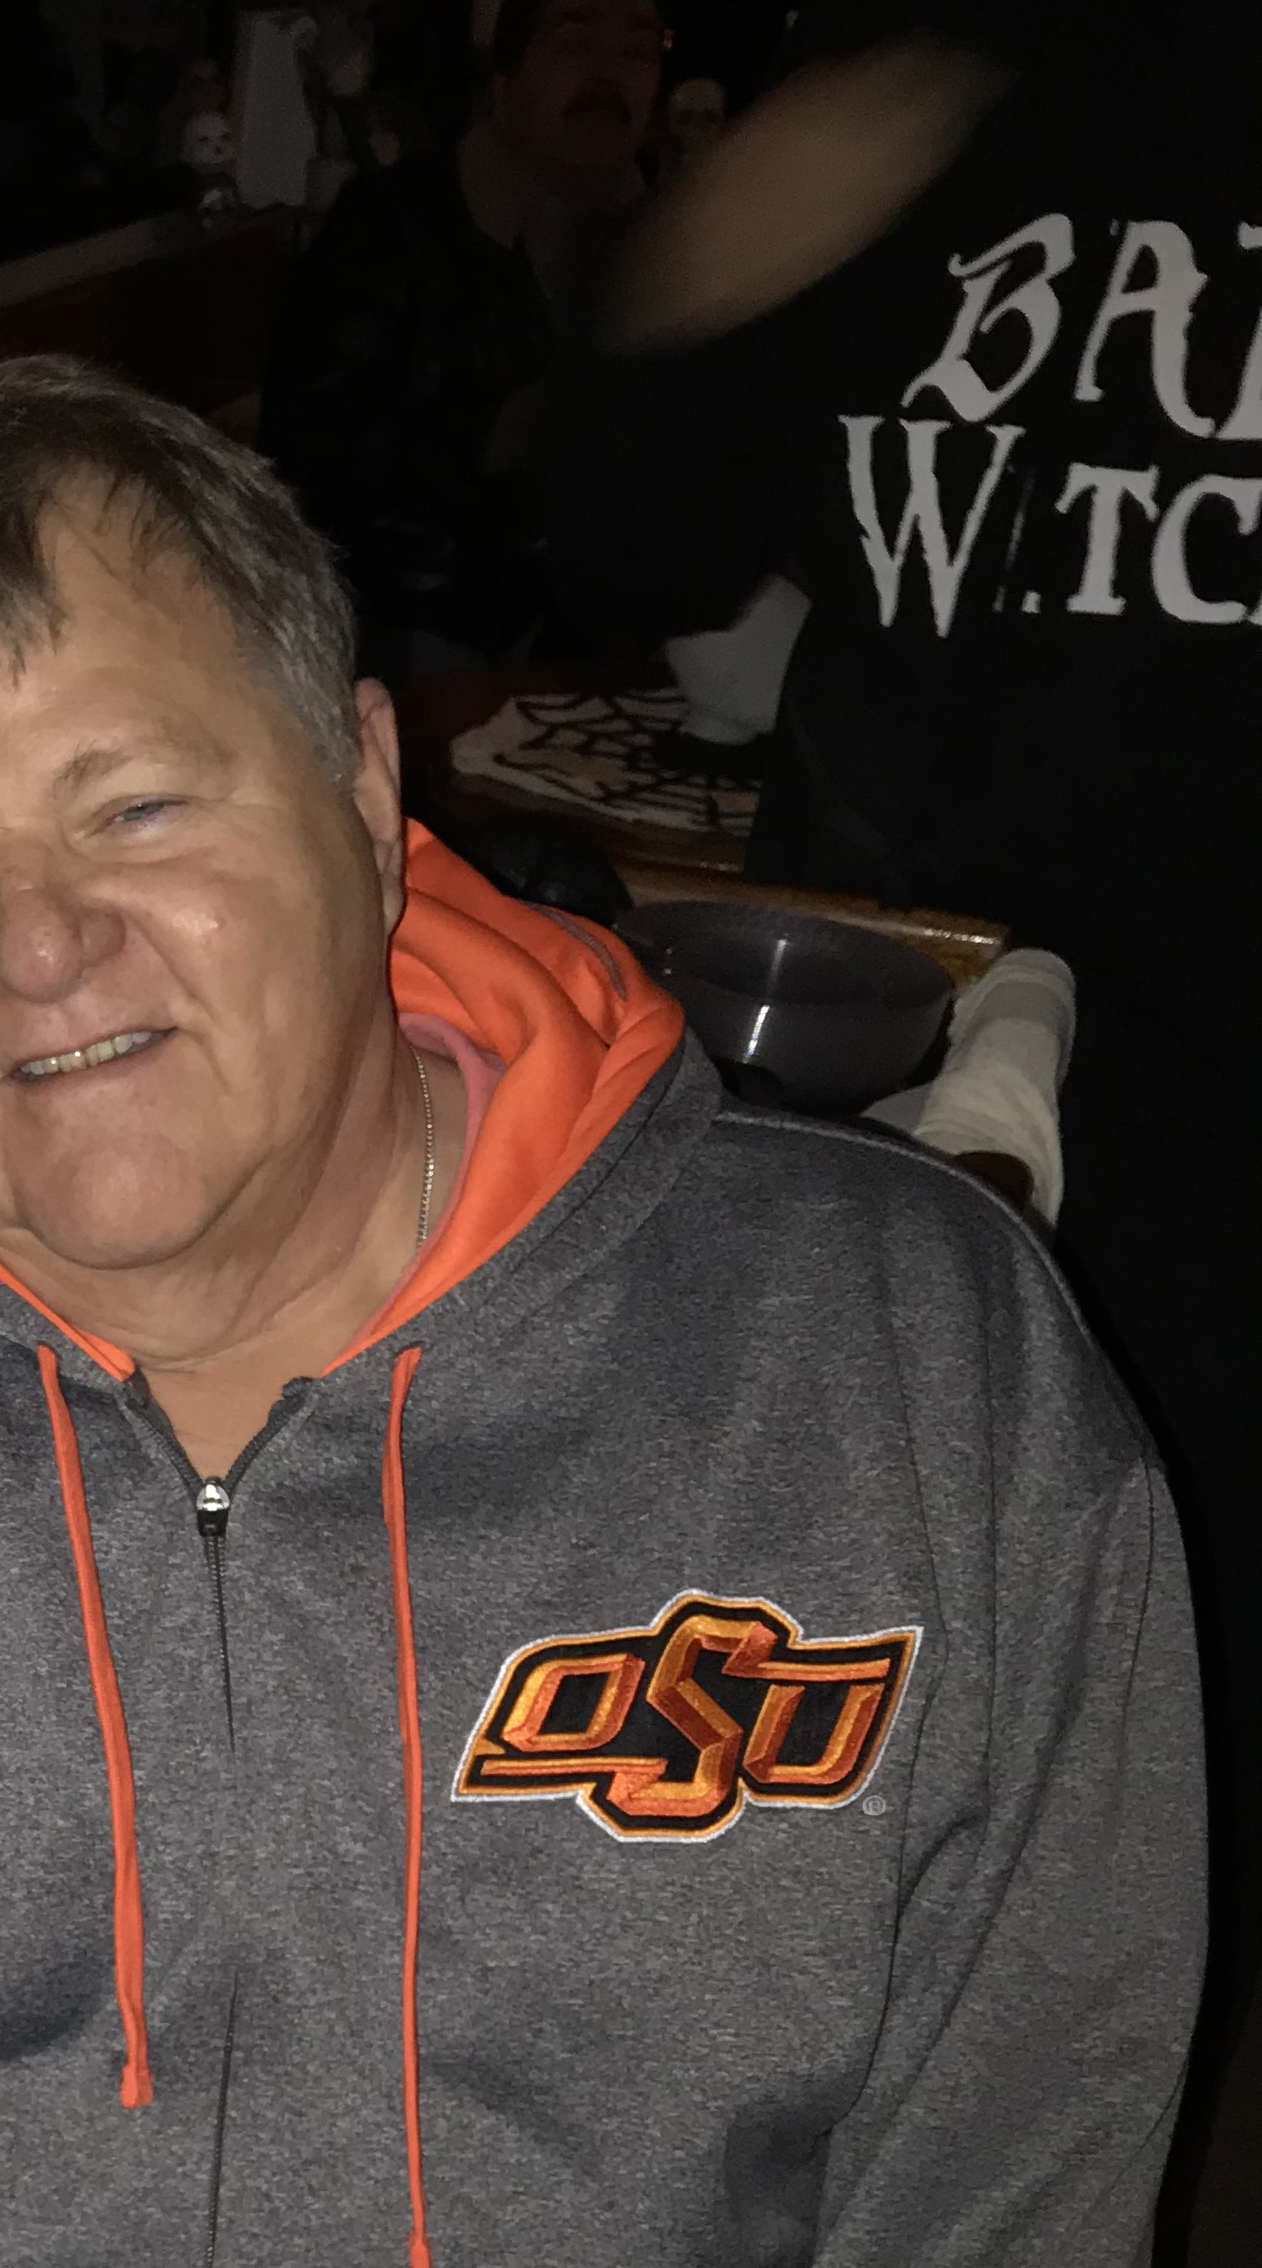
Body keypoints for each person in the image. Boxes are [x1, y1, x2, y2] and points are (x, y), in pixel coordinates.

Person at [0, 355, 1202, 2264]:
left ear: (358, 788)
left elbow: (1007, 2176)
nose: (35, 944)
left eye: (131, 806)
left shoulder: (917, 1364)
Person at [547, 0, 1262, 2188]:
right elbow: (602, 535)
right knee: (796, 1757)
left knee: (1149, 1823)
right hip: (853, 1099)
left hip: (1215, 1166)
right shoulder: (925, 101)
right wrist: (692, 261)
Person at [260, 0, 664, 672]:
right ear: (502, 85)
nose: (609, 74)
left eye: (637, 52)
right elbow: (310, 469)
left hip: (645, 632)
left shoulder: (679, 237)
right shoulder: (389, 226)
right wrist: (499, 434)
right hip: (426, 632)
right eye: (575, 43)